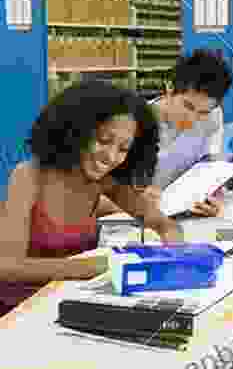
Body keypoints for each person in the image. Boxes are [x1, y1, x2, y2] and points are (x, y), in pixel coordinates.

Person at [0, 80, 183, 318]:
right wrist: (94, 267)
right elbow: (7, 266)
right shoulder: (29, 175)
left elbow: (162, 223)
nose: (111, 156)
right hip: (18, 313)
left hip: (65, 302)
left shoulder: (104, 181)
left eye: (124, 149)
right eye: (103, 140)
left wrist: (173, 249)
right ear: (75, 130)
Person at [97, 49, 233, 217]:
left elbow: (210, 173)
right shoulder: (129, 125)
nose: (192, 119)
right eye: (188, 106)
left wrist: (213, 198)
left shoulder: (213, 117)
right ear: (169, 89)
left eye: (203, 112)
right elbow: (86, 200)